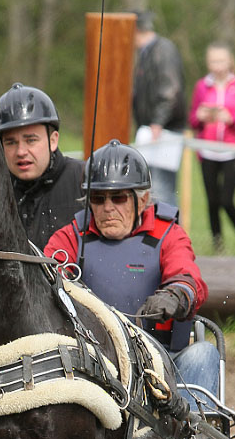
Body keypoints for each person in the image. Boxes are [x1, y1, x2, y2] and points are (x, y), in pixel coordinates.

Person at [44, 140, 219, 409]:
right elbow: (47, 277)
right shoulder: (71, 237)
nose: (108, 208)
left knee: (204, 353)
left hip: (161, 361)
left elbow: (188, 278)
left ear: (143, 200)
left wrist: (174, 296)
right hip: (91, 362)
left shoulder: (167, 234)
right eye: (99, 199)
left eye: (119, 198)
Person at [0, 83, 83, 250]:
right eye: (11, 142)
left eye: (31, 140)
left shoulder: (85, 181)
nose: (20, 151)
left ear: (53, 140)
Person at [189, 42, 235, 255]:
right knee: (212, 201)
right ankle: (218, 246)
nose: (217, 66)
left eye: (221, 61)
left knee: (227, 200)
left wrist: (231, 120)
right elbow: (192, 120)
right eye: (213, 61)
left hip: (231, 150)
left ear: (230, 61)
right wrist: (200, 117)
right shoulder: (202, 86)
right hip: (206, 149)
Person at [132, 10, 186, 206]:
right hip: (153, 129)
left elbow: (170, 88)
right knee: (152, 189)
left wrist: (158, 121)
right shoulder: (147, 52)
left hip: (163, 132)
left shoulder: (162, 50)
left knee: (162, 191)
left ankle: (169, 236)